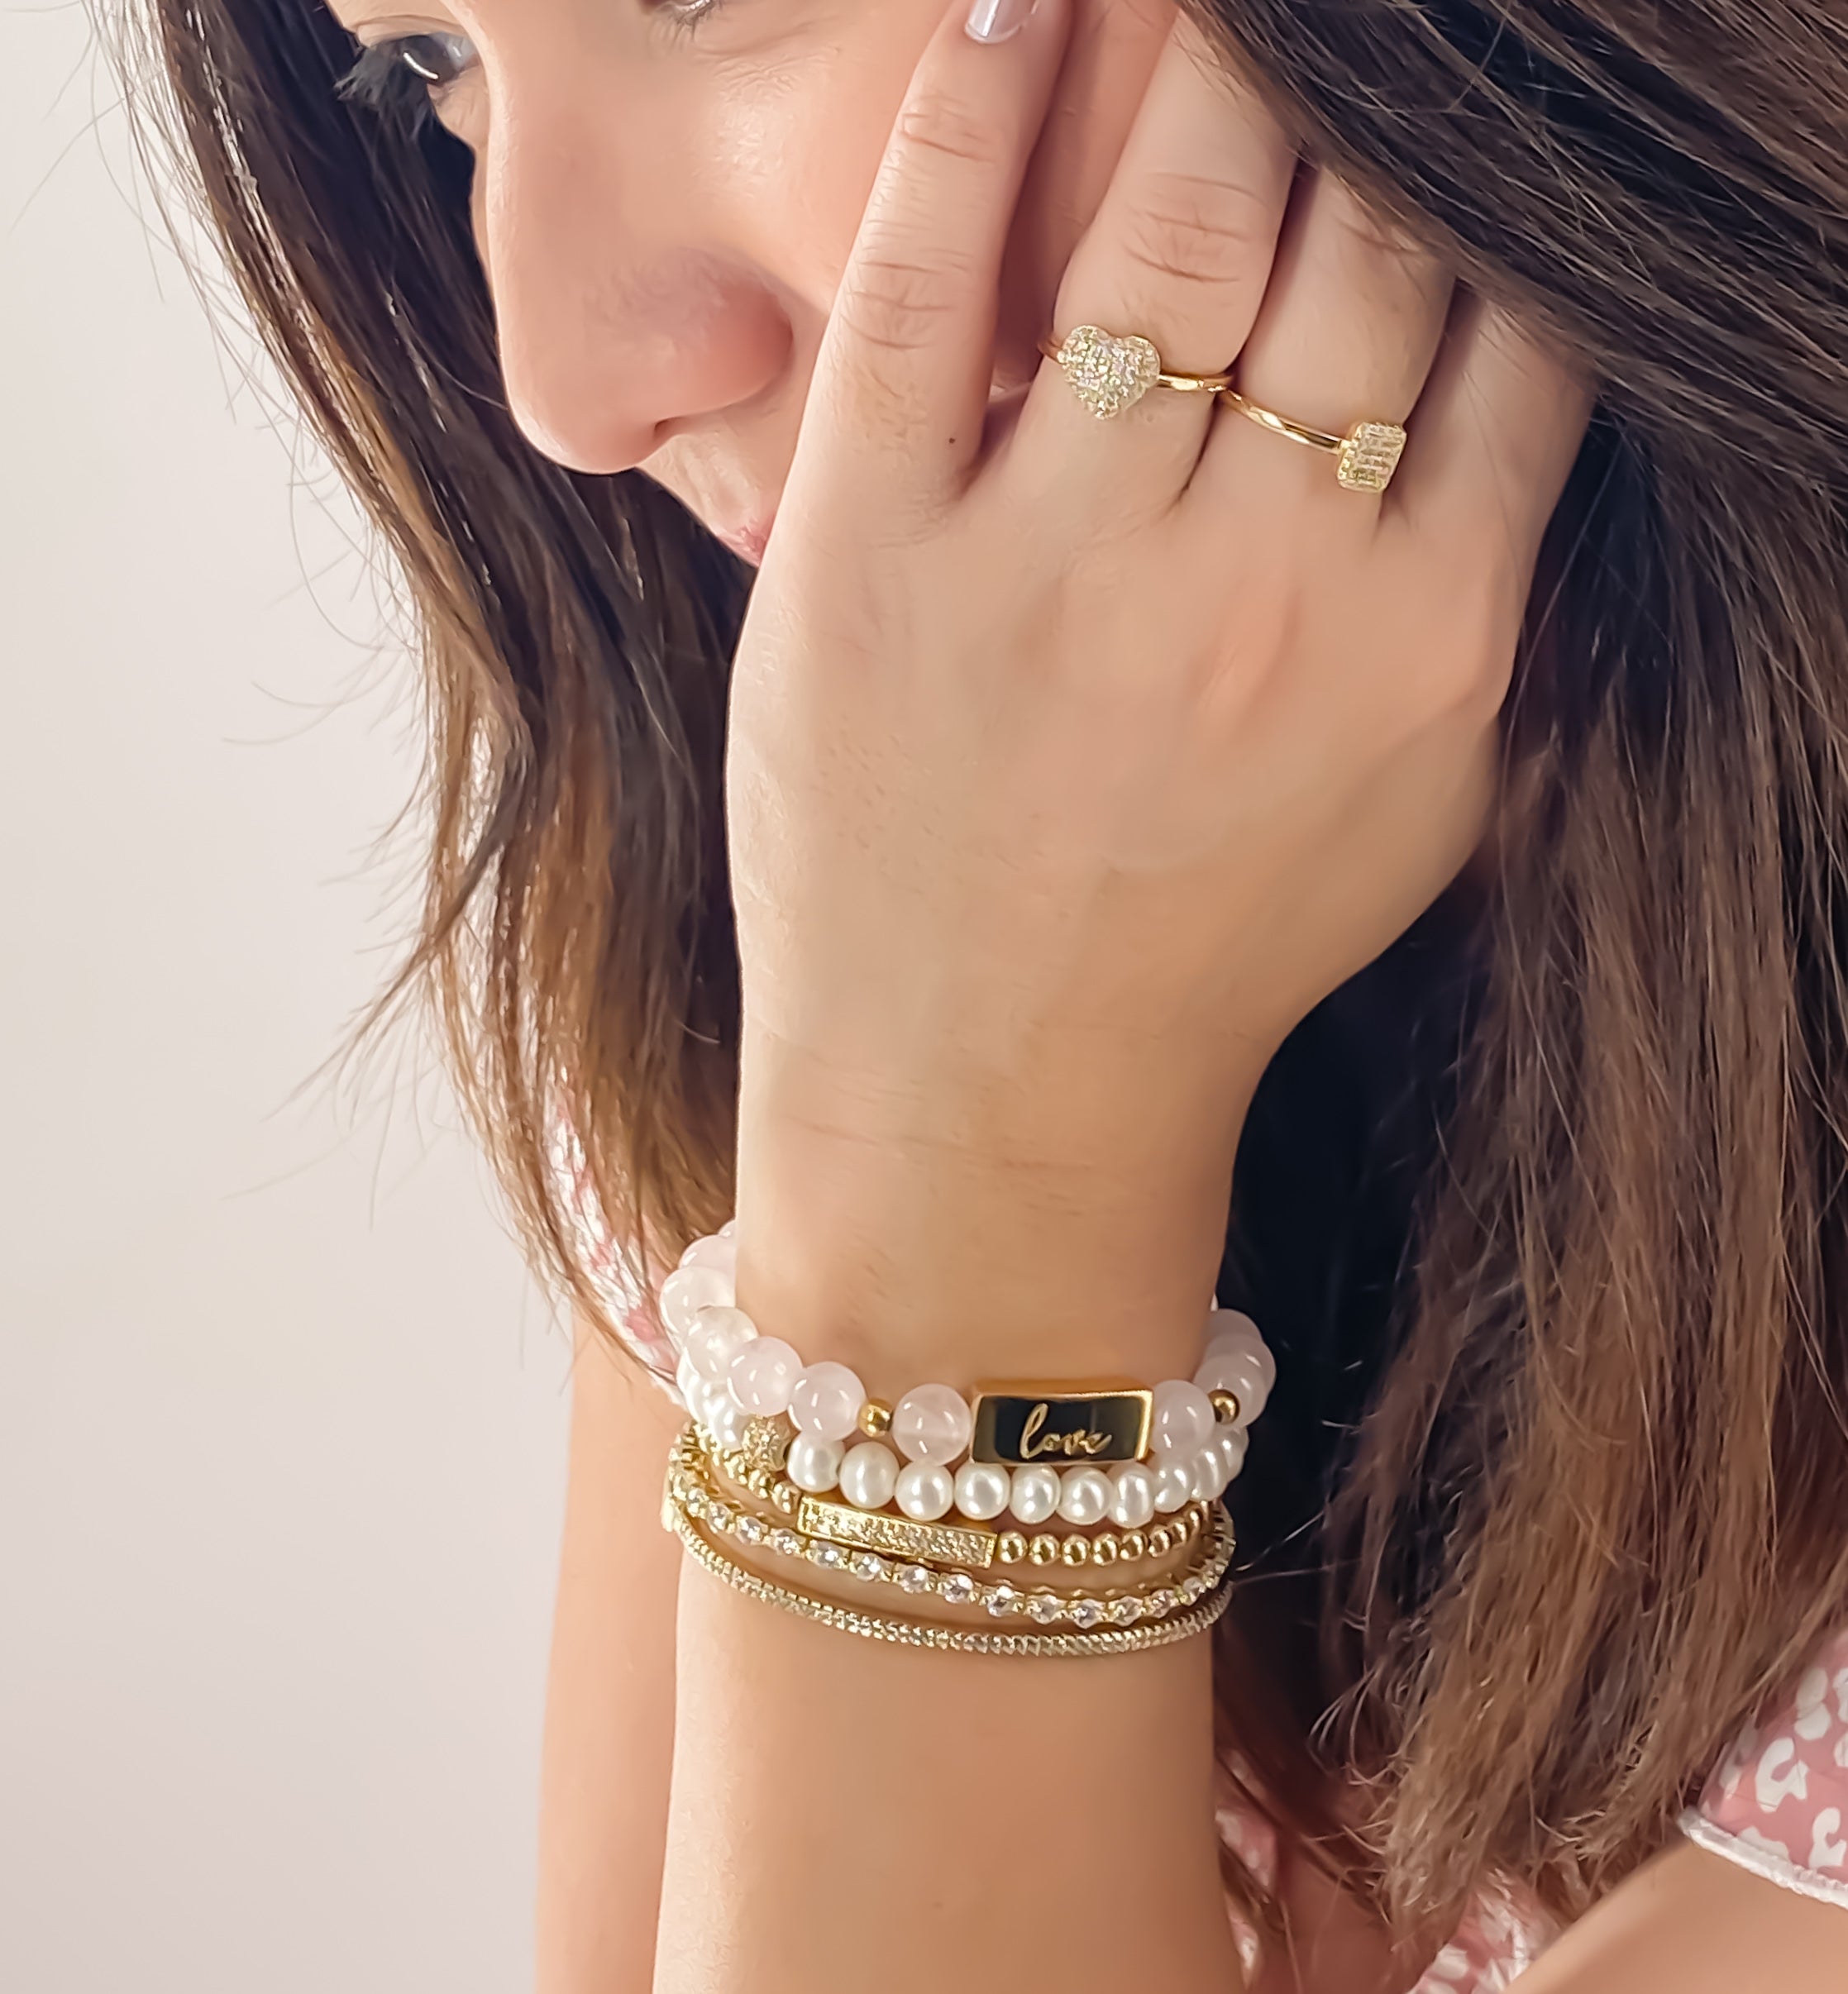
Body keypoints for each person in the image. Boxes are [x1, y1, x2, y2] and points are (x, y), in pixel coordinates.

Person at [118, 0, 1848, 1984]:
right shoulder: (838, 879)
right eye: (421, 61)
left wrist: (973, 1202)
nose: (566, 377)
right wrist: (927, 1146)